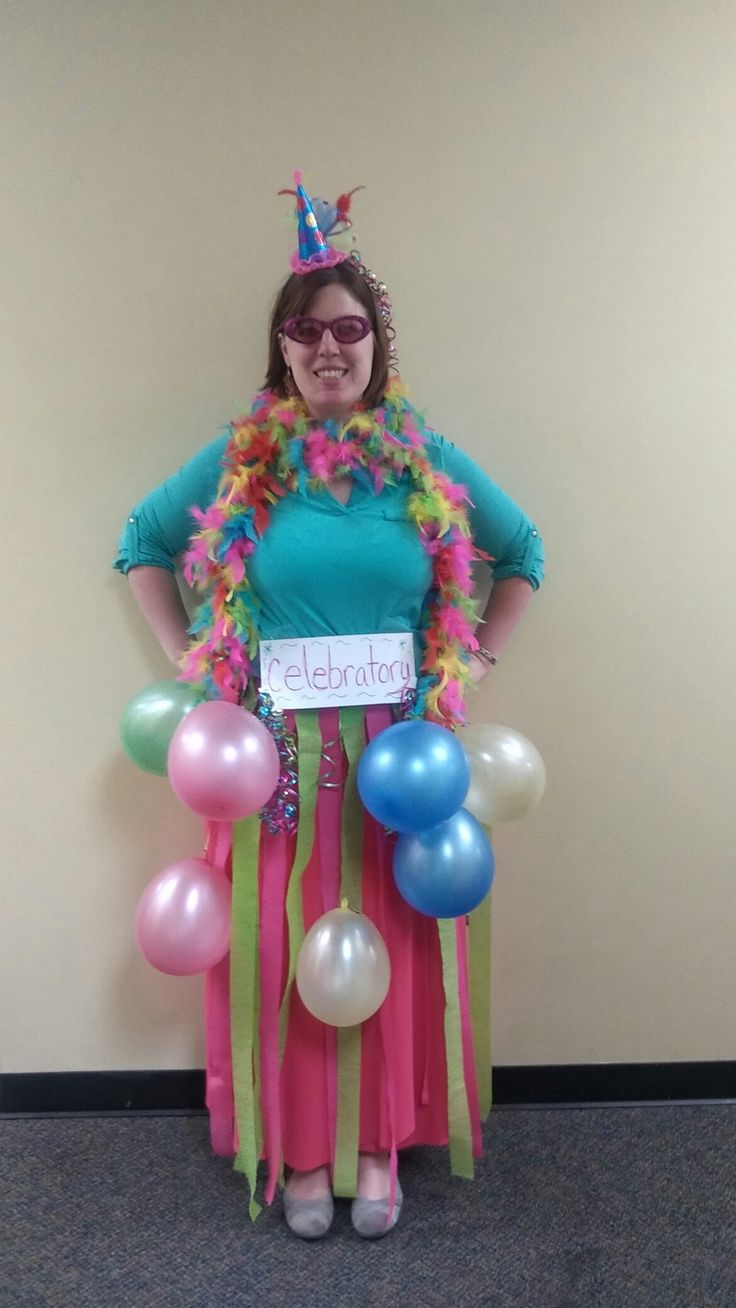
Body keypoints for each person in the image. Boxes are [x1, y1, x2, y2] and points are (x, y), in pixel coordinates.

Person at [115, 173, 544, 1239]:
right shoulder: (242, 461)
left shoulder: (422, 462)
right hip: (269, 758)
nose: (327, 348)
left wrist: (476, 656)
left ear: (375, 344)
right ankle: (302, 1151)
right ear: (282, 351)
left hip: (402, 759)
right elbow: (143, 545)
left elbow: (522, 552)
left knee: (382, 944)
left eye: (347, 328)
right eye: (303, 332)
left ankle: (375, 1144)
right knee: (278, 946)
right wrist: (185, 659)